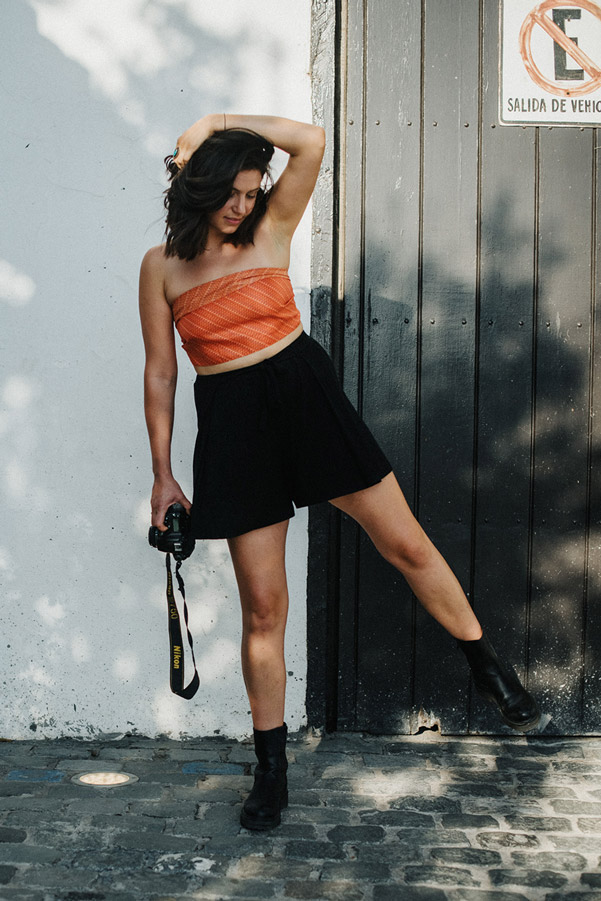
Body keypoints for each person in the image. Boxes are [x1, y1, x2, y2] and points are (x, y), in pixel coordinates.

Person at [139, 113, 540, 832]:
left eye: (253, 191)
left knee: (405, 543)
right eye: (232, 191)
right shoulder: (160, 267)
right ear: (199, 184)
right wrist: (163, 475)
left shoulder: (270, 228)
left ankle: (485, 664)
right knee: (265, 608)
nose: (243, 205)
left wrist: (221, 121)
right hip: (233, 425)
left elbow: (311, 140)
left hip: (306, 397)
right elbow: (162, 373)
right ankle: (271, 767)